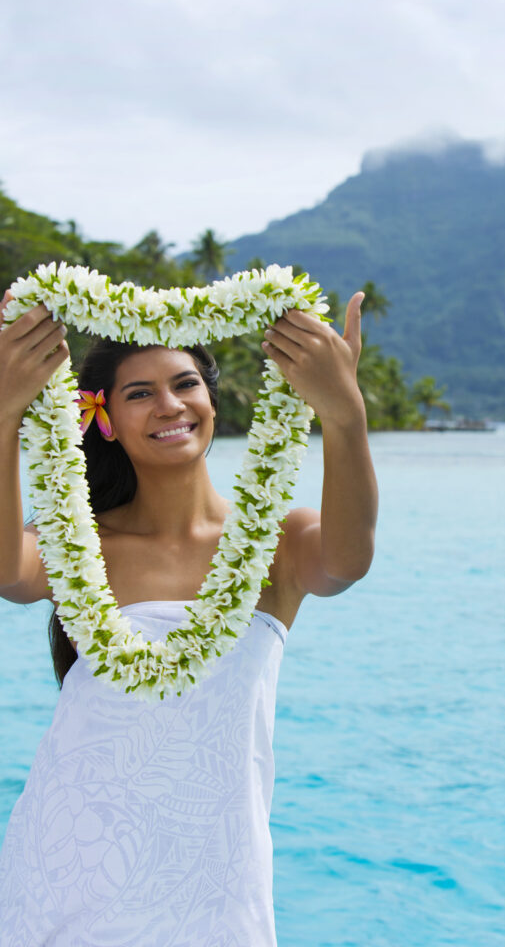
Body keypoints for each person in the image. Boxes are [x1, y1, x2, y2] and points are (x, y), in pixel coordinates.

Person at [0, 289, 378, 947]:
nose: (170, 405)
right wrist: (5, 410)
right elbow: (7, 572)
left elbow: (347, 561)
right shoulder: (76, 540)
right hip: (68, 860)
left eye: (184, 384)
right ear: (105, 418)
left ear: (211, 399)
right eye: (140, 393)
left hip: (214, 879)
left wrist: (344, 415)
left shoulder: (275, 542)